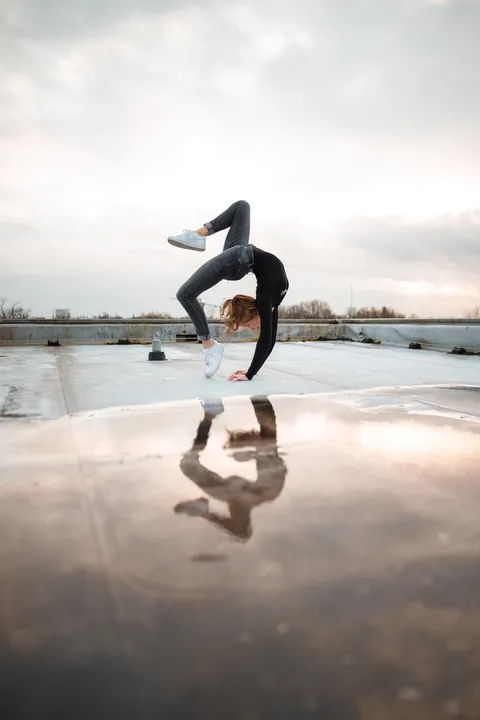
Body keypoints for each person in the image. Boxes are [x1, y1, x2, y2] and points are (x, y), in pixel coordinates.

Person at [168, 200, 289, 380]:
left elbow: (268, 340)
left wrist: (250, 373)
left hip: (239, 259)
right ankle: (199, 234)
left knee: (185, 294)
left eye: (248, 326)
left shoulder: (268, 300)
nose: (254, 328)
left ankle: (208, 345)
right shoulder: (267, 301)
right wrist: (250, 373)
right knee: (242, 206)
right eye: (250, 325)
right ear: (251, 311)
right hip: (238, 258)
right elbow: (268, 340)